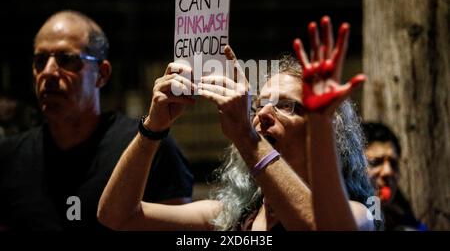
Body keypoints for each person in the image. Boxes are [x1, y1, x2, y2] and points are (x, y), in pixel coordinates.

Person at [98, 16, 376, 231]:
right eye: (258, 104)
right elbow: (117, 216)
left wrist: (245, 135)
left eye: (285, 105)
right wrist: (152, 128)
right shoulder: (229, 216)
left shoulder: (358, 215)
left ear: (326, 129)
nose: (262, 114)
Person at [0, 10, 193, 230]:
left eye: (67, 60)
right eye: (40, 60)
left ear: (102, 74)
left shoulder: (148, 149)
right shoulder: (10, 157)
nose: (49, 72)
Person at [362, 122, 427, 230]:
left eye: (393, 164)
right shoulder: (342, 215)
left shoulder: (410, 225)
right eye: (375, 162)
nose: (388, 171)